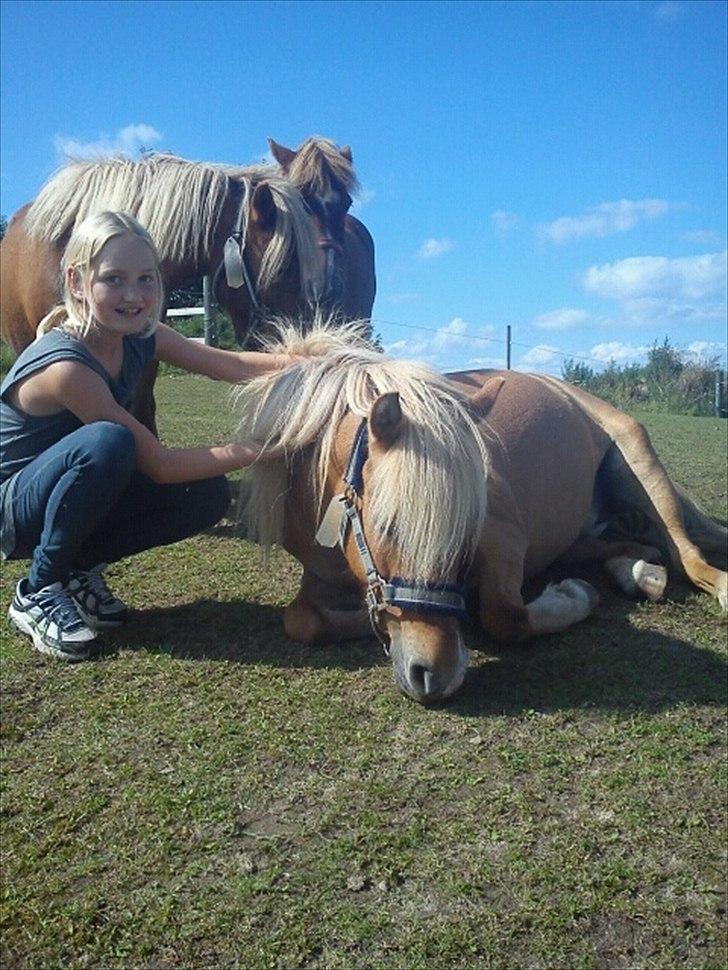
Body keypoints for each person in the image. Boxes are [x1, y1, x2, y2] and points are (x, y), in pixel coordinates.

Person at [0, 210, 292, 662]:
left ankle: (76, 567)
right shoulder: (66, 366)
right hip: (13, 509)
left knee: (208, 494)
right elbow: (156, 463)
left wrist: (315, 364)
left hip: (69, 490)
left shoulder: (143, 335)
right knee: (109, 443)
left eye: (145, 279)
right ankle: (37, 590)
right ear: (77, 282)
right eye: (113, 279)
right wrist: (262, 450)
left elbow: (230, 366)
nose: (133, 295)